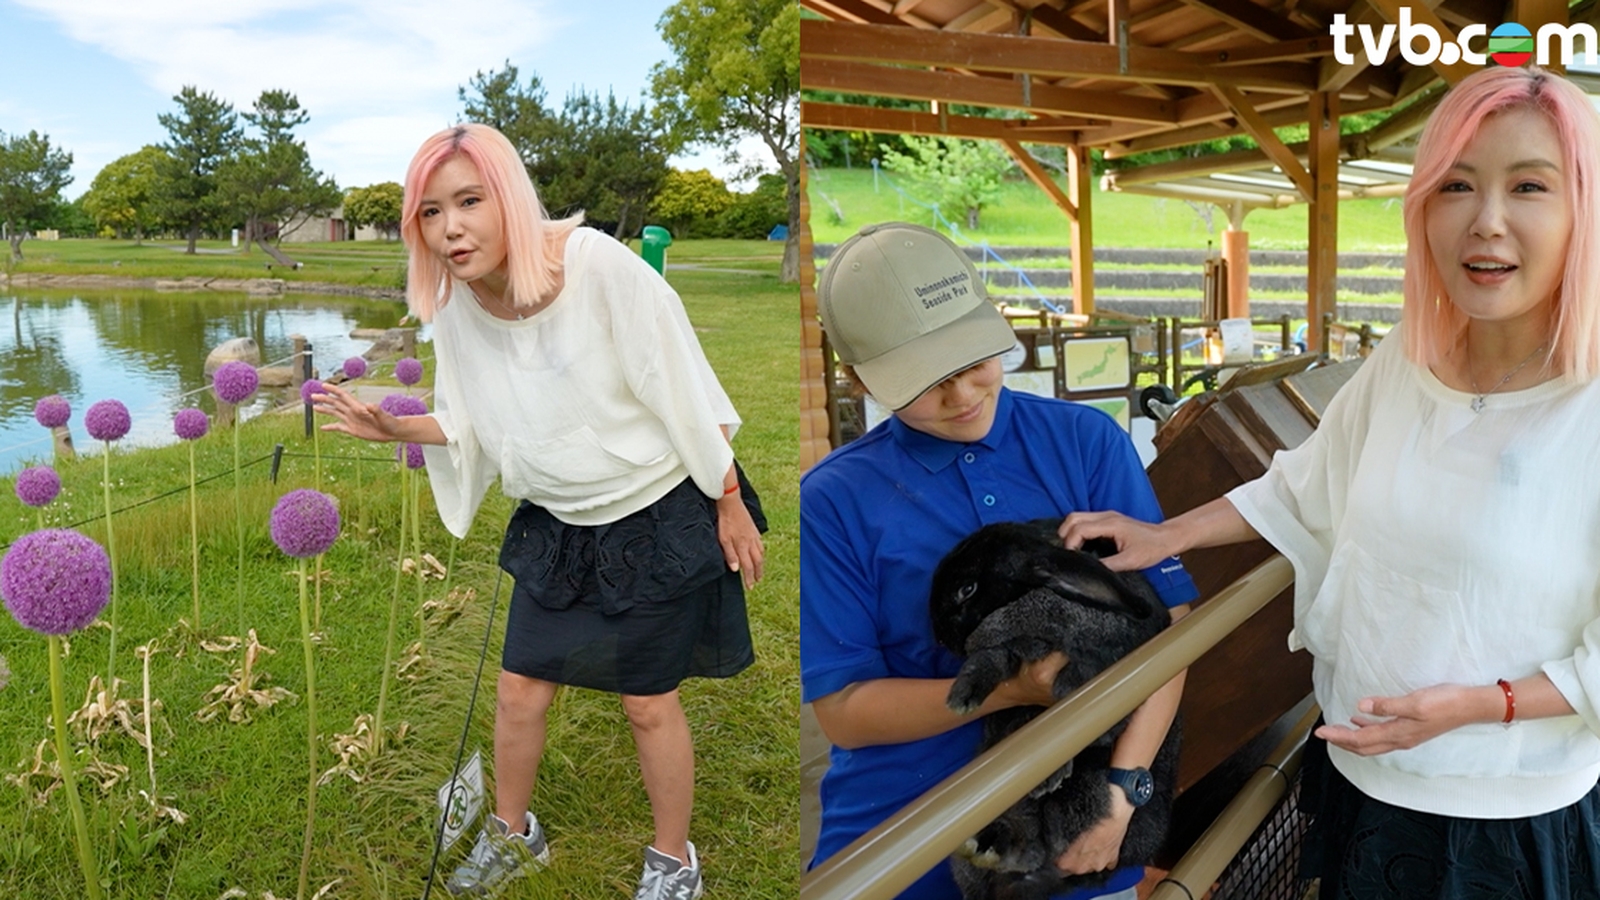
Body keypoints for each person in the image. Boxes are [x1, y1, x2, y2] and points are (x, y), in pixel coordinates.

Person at [1061, 66, 1600, 899]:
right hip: (1362, 772)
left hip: (1505, 816)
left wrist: (1478, 705)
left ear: (1584, 211)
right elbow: (1306, 482)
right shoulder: (1403, 364)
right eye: (1457, 184)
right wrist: (1168, 534)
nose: (1486, 222)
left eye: (1529, 186)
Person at [312, 123, 765, 900]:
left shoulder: (597, 268)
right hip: (559, 522)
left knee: (648, 704)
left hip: (655, 511)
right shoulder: (455, 305)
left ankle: (672, 860)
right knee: (519, 690)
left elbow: (687, 389)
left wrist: (727, 498)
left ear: (510, 199)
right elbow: (468, 423)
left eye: (469, 201)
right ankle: (513, 836)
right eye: (429, 212)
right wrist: (395, 425)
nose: (450, 227)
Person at [800, 222, 1198, 900]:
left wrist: (1121, 794)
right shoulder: (834, 498)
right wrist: (1012, 689)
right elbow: (845, 710)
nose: (961, 397)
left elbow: (1168, 629)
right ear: (855, 376)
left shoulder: (1086, 443)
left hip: (1074, 833)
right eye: (925, 382)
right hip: (903, 836)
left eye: (972, 361)